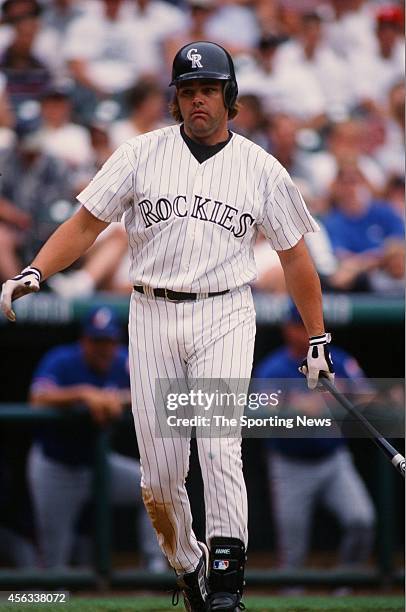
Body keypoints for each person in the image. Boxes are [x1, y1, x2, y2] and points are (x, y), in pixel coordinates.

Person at [1, 41, 334, 611]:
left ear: (228, 97)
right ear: (174, 99)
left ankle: (228, 585)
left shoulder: (260, 166)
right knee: (159, 478)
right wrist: (34, 270)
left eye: (207, 89)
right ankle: (189, 565)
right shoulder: (140, 154)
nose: (197, 100)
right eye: (187, 91)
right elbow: (84, 227)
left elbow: (295, 257)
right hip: (151, 310)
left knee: (220, 445)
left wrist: (318, 335)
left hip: (224, 310)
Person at [27, 305, 166, 572]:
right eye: (97, 341)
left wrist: (119, 399)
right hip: (55, 468)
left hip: (99, 464)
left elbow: (159, 395)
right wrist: (83, 394)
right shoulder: (62, 359)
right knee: (53, 564)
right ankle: (47, 597)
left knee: (155, 490)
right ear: (84, 341)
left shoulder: (124, 360)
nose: (104, 348)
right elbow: (37, 398)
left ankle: (155, 570)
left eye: (109, 341)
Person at [254, 305, 375, 575]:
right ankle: (291, 596)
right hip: (290, 466)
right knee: (292, 550)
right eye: (299, 326)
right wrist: (296, 407)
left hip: (334, 461)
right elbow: (261, 414)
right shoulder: (274, 367)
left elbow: (368, 395)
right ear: (287, 328)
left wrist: (344, 395)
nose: (305, 333)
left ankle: (345, 583)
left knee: (361, 520)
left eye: (309, 326)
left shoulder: (338, 359)